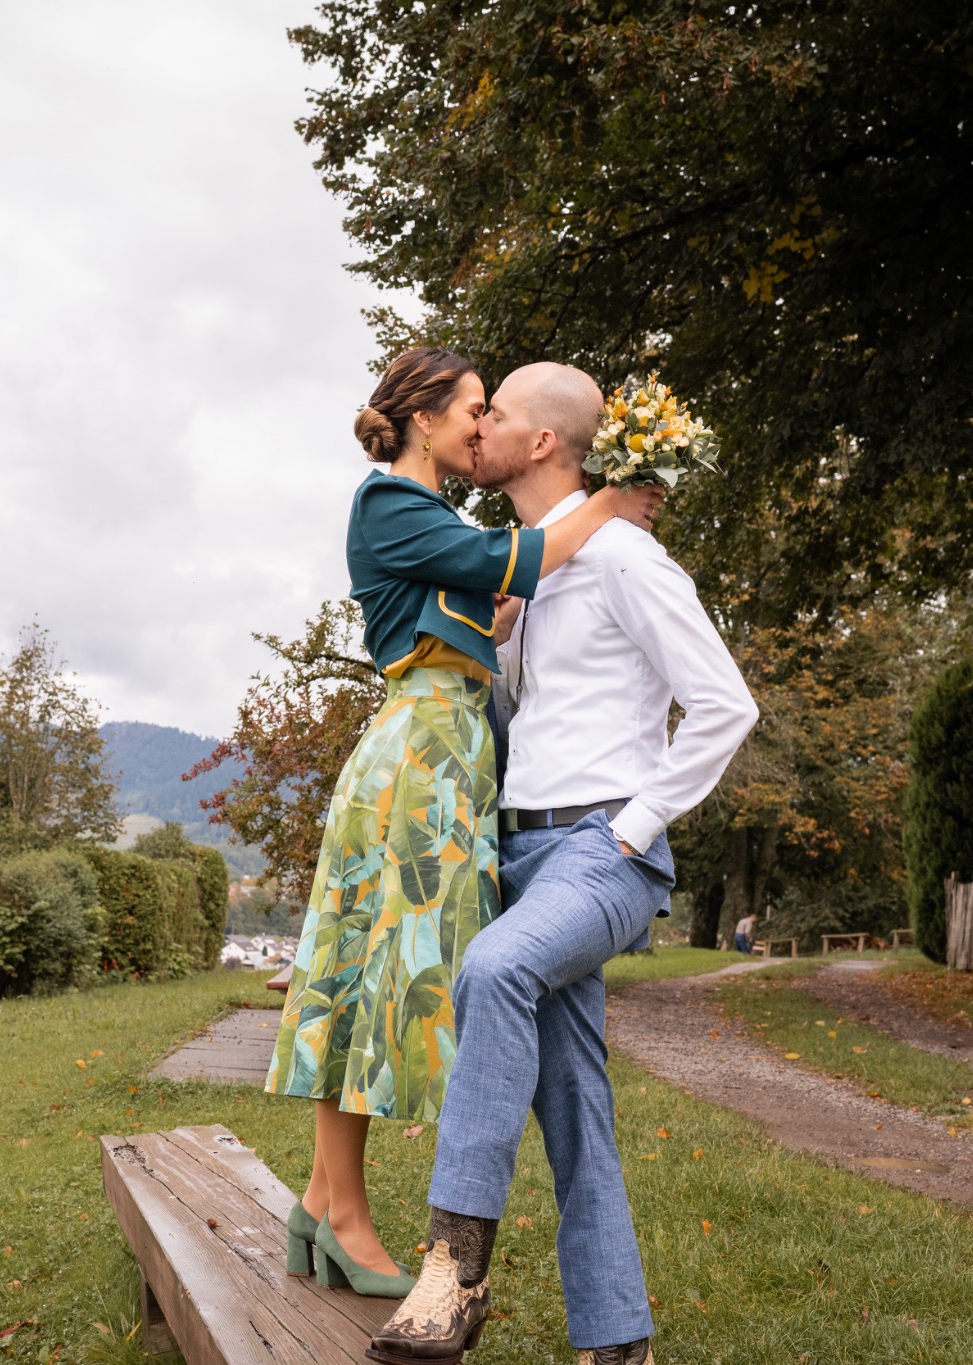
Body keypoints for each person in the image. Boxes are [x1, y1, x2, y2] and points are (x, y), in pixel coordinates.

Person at [369, 363, 758, 1365]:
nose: (477, 423)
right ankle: (616, 1337)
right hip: (521, 852)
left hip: (600, 852)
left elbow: (723, 703)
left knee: (494, 970)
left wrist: (635, 827)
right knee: (572, 1101)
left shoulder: (626, 557)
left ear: (541, 442)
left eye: (492, 411)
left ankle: (452, 1274)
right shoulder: (524, 575)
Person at [264, 347, 660, 1299]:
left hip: (450, 753)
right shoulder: (386, 500)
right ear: (424, 415)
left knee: (382, 968)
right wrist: (602, 504)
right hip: (419, 755)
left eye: (489, 412)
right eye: (473, 410)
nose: (483, 428)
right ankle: (343, 1215)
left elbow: (493, 594)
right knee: (376, 970)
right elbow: (504, 559)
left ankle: (326, 1199)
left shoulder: (429, 513)